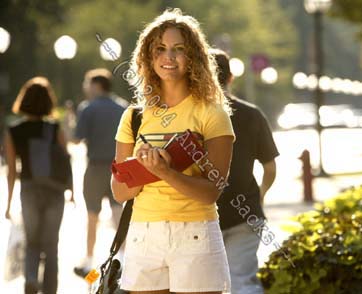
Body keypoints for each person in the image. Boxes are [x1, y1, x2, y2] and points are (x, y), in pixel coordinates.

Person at [111, 8, 234, 294]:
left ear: (193, 57)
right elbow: (119, 192)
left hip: (195, 233)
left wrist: (165, 171)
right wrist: (145, 171)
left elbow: (212, 190)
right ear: (147, 56)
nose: (169, 57)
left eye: (179, 49)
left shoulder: (212, 114)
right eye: (160, 49)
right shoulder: (134, 116)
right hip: (144, 235)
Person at [211, 49, 279, 294]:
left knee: (204, 285)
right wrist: (260, 194)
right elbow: (270, 167)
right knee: (242, 281)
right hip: (246, 212)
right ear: (231, 78)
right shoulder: (252, 114)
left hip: (203, 214)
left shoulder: (193, 117)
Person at [4, 77, 69, 294]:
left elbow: (12, 170)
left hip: (29, 190)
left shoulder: (14, 130)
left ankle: (31, 280)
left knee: (32, 242)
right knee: (51, 246)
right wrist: (73, 191)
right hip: (54, 191)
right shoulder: (54, 127)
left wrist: (9, 203)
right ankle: (50, 289)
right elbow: (65, 159)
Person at [73, 68, 128, 276]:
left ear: (96, 85)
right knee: (117, 213)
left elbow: (77, 138)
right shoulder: (123, 107)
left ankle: (89, 262)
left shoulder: (88, 108)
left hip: (95, 166)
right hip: (118, 167)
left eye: (88, 84)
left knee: (92, 214)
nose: (86, 88)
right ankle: (123, 259)